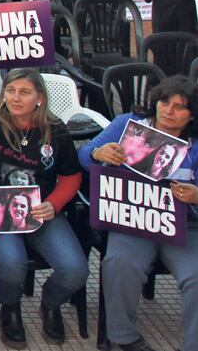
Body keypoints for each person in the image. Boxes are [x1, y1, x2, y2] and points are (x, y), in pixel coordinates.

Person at [0, 62, 86, 345]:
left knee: (75, 269)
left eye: (25, 92)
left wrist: (54, 205)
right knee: (12, 266)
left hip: (40, 211)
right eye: (10, 90)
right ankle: (10, 308)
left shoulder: (55, 129)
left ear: (40, 98)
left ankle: (50, 303)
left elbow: (71, 177)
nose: (16, 97)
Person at [80, 75, 198, 351]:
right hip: (132, 220)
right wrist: (99, 153)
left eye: (180, 107)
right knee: (119, 265)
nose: (169, 111)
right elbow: (83, 155)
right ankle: (124, 337)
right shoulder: (127, 125)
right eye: (164, 103)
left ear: (192, 116)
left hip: (183, 225)